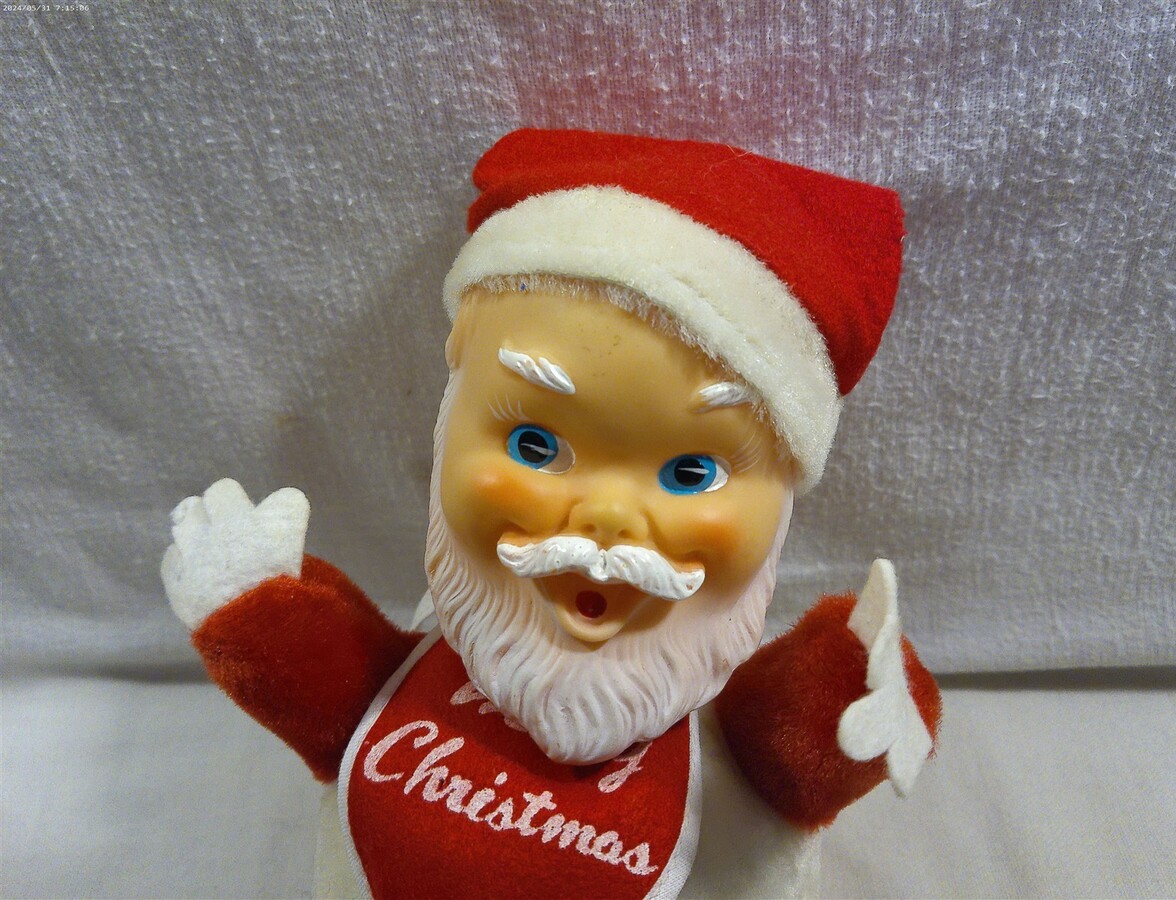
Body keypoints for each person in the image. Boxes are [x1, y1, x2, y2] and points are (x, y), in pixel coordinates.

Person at [162, 129, 941, 899]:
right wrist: (260, 614)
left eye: (691, 473)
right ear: (447, 426)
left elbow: (796, 749)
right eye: (535, 445)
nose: (605, 517)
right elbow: (334, 692)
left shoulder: (728, 734)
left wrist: (848, 702)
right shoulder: (418, 673)